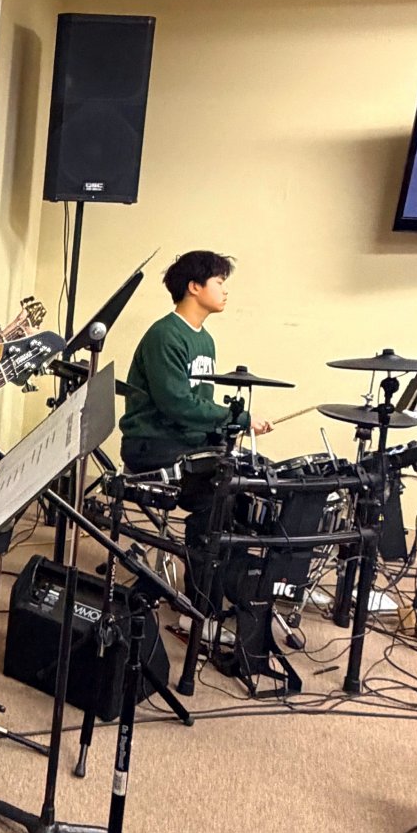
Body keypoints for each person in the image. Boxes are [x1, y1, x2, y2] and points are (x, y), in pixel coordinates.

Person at [118, 250, 270, 612]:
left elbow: (199, 407)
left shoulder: (205, 340)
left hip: (185, 445)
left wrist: (225, 432)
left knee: (247, 482)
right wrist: (239, 418)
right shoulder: (165, 335)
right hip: (152, 445)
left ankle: (233, 591)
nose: (225, 290)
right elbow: (177, 404)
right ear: (194, 287)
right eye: (219, 282)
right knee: (218, 497)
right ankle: (199, 608)